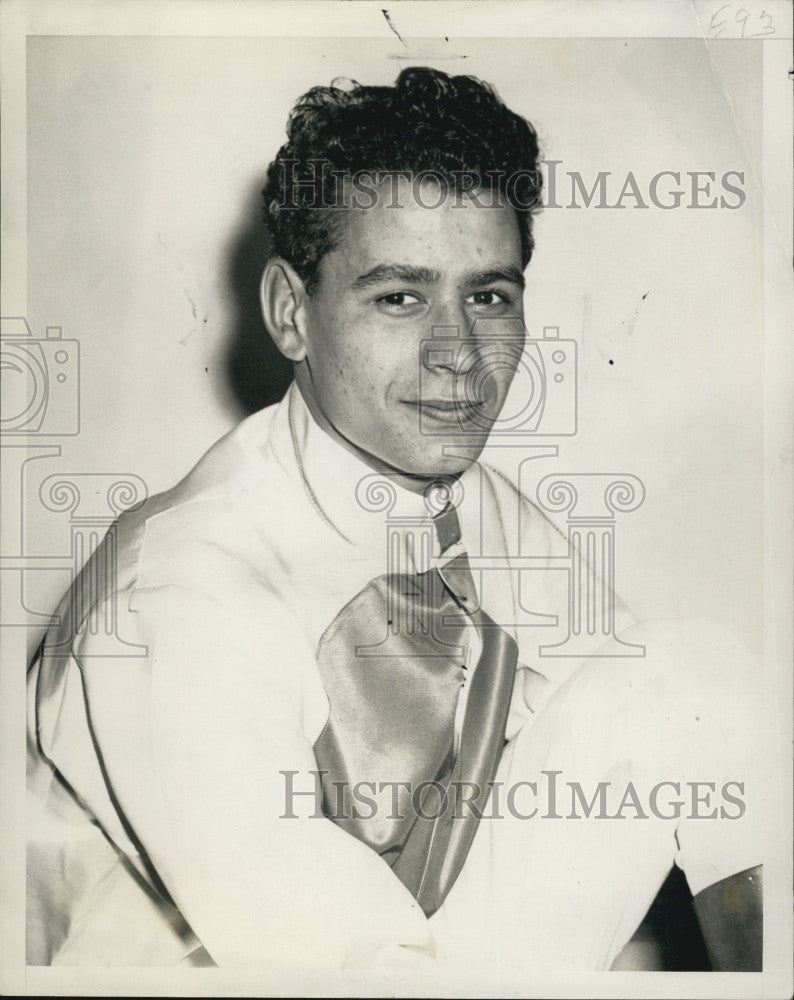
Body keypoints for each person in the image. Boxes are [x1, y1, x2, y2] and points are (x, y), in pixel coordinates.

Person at [26, 67, 764, 981]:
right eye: (400, 297)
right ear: (291, 312)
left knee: (693, 681)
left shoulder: (475, 511)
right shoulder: (174, 599)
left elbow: (659, 749)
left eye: (488, 296)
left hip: (422, 955)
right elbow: (337, 968)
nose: (459, 354)